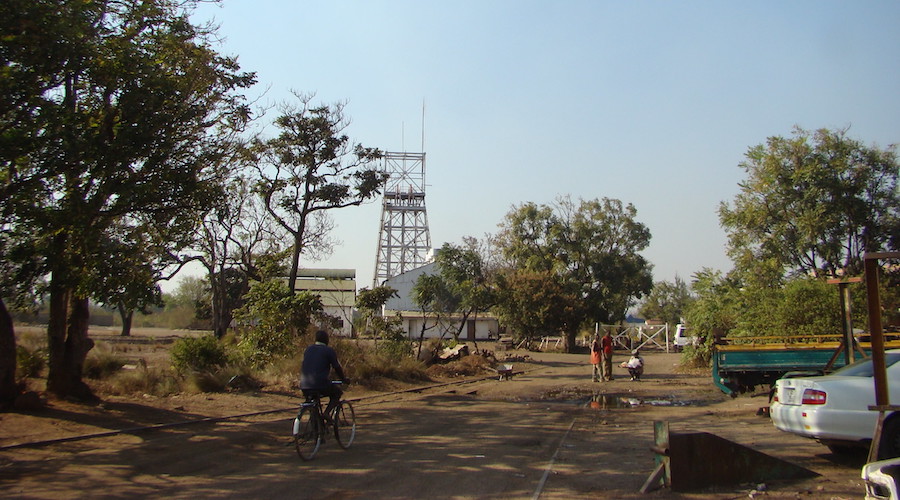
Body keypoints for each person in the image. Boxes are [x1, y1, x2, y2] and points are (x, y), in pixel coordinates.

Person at [300, 330, 347, 419]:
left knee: (312, 404)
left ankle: (315, 423)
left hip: (304, 385)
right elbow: (336, 367)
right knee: (337, 393)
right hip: (320, 384)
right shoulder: (329, 351)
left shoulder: (308, 349)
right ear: (327, 340)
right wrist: (343, 379)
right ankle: (326, 413)